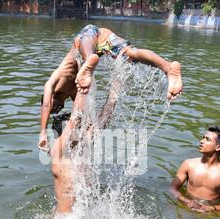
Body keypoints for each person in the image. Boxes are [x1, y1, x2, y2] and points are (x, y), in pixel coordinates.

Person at [38, 24, 183, 151]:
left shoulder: (53, 83)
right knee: (130, 54)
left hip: (88, 36)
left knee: (86, 55)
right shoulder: (76, 91)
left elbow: (45, 104)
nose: (54, 110)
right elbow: (82, 114)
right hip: (103, 38)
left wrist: (43, 132)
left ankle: (90, 60)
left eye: (53, 109)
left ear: (51, 99)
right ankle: (167, 67)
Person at [50, 61, 119, 214]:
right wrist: (83, 80)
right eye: (73, 129)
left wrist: (115, 86)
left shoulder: (82, 147)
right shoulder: (57, 153)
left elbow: (104, 117)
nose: (79, 130)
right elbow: (76, 117)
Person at [170, 126, 220, 212]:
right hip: (186, 205)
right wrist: (186, 201)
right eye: (203, 138)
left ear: (218, 147)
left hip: (209, 212)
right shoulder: (188, 164)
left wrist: (209, 208)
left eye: (207, 139)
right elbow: (173, 189)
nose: (201, 141)